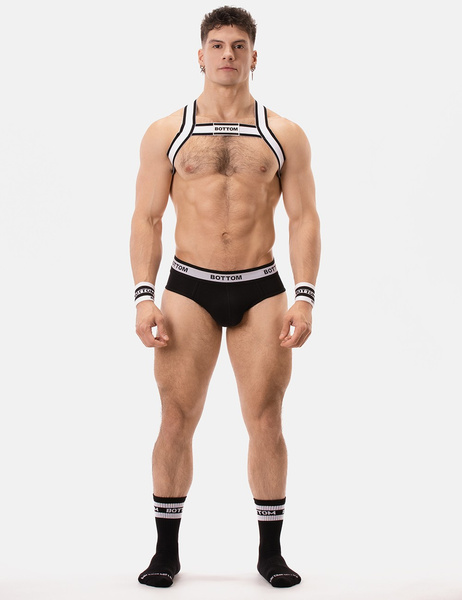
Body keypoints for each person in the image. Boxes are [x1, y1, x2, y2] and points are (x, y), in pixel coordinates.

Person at [130, 5, 321, 589]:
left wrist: (305, 296)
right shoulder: (168, 131)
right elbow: (147, 218)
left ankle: (271, 554)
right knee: (176, 417)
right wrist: (143, 296)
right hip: (189, 286)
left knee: (266, 419)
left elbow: (304, 218)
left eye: (239, 46)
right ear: (200, 55)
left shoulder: (283, 133)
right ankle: (165, 552)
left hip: (260, 288)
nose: (228, 55)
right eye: (218, 45)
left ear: (254, 57)